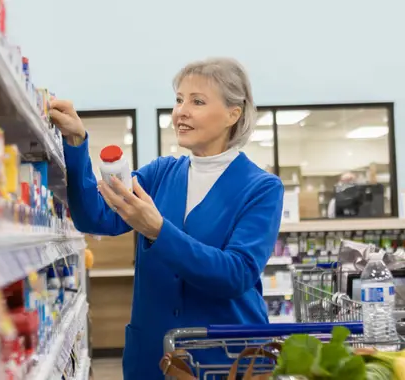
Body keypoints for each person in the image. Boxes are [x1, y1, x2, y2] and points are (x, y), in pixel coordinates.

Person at [50, 58, 284, 380]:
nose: (181, 111)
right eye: (179, 100)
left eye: (197, 101)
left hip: (227, 358)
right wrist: (76, 143)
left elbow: (236, 273)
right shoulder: (161, 173)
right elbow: (95, 217)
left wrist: (157, 230)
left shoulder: (261, 188)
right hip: (155, 356)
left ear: (234, 113)